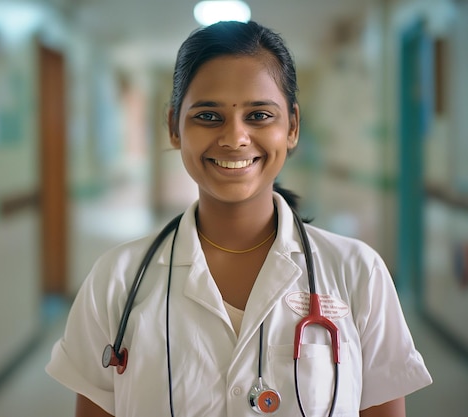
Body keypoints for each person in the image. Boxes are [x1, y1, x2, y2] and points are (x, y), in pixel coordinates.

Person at [46, 20, 432, 417]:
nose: (234, 138)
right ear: (174, 127)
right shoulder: (117, 281)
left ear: (292, 127)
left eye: (260, 115)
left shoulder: (358, 274)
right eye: (209, 116)